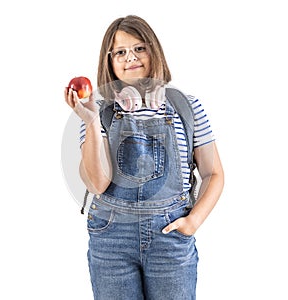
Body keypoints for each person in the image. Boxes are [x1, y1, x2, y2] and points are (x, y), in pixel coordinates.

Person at [64, 15, 224, 300]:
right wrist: (89, 121)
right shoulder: (96, 112)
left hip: (170, 237)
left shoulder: (186, 107)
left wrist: (193, 222)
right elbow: (97, 184)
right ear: (109, 61)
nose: (130, 58)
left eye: (139, 48)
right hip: (111, 240)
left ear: (154, 51)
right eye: (121, 52)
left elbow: (214, 174)